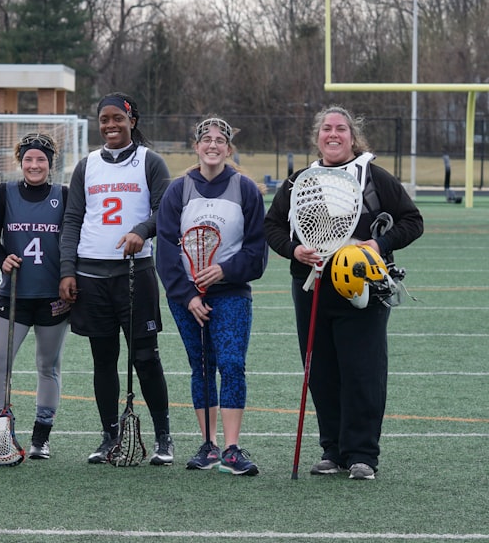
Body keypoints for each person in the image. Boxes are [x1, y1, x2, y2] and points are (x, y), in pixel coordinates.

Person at [264, 105, 423, 481]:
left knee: (362, 372)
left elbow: (412, 221)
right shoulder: (300, 181)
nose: (333, 135)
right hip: (312, 286)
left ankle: (362, 454)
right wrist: (293, 250)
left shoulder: (374, 177)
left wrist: (378, 245)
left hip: (362, 286)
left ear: (353, 137)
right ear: (317, 137)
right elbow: (272, 225)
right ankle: (332, 451)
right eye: (326, 129)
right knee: (321, 371)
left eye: (340, 129)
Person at [58, 92, 175, 466]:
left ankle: (163, 437)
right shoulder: (87, 165)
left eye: (117, 119)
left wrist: (142, 230)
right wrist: (66, 270)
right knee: (103, 358)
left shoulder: (150, 162)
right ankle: (110, 435)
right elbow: (73, 219)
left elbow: (165, 211)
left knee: (145, 356)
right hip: (91, 274)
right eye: (104, 119)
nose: (110, 125)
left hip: (134, 273)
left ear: (132, 121)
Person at [156, 117, 267, 475]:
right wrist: (188, 295)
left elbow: (256, 253)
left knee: (232, 364)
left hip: (230, 293)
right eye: (207, 139)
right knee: (201, 366)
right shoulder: (179, 190)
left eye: (221, 140)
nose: (213, 145)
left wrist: (224, 270)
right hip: (188, 297)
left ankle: (232, 448)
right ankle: (209, 445)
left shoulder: (246, 189)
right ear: (197, 147)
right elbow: (167, 253)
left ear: (229, 149)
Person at [0, 132, 70, 461]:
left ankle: (41, 437)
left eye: (40, 159)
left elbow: (72, 241)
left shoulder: (64, 195)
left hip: (52, 297)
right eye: (28, 159)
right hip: (14, 293)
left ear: (50, 164)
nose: (34, 164)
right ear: (20, 162)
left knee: (48, 364)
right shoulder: (6, 193)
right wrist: (2, 259)